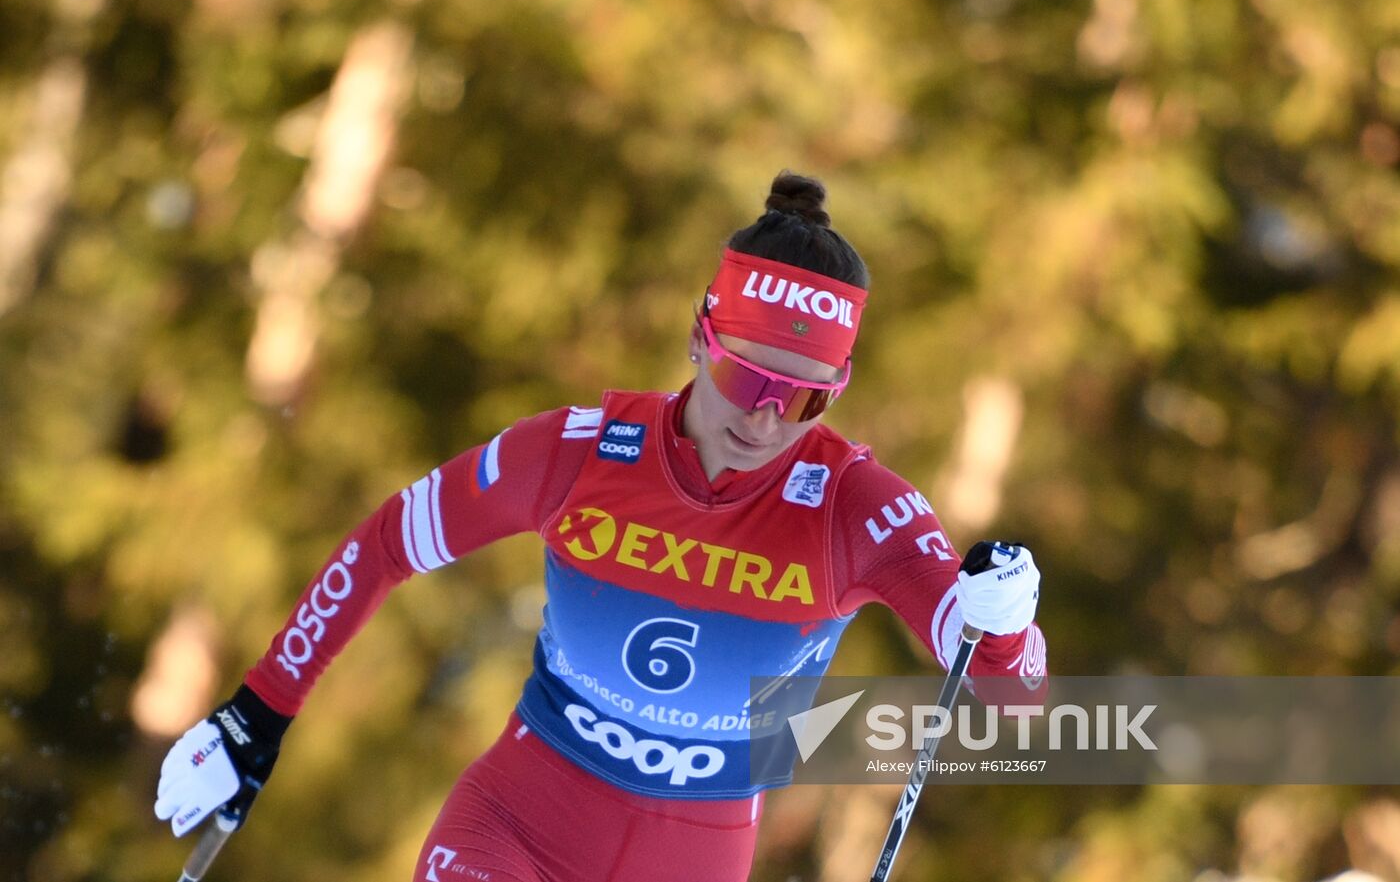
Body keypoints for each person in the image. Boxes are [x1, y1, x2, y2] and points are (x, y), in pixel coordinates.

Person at [154, 171, 1047, 881]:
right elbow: (389, 542)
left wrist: (1006, 627)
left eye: (805, 396)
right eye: (748, 380)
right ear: (701, 338)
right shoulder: (581, 455)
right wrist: (255, 715)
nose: (769, 418)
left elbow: (1012, 697)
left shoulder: (857, 507)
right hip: (516, 824)